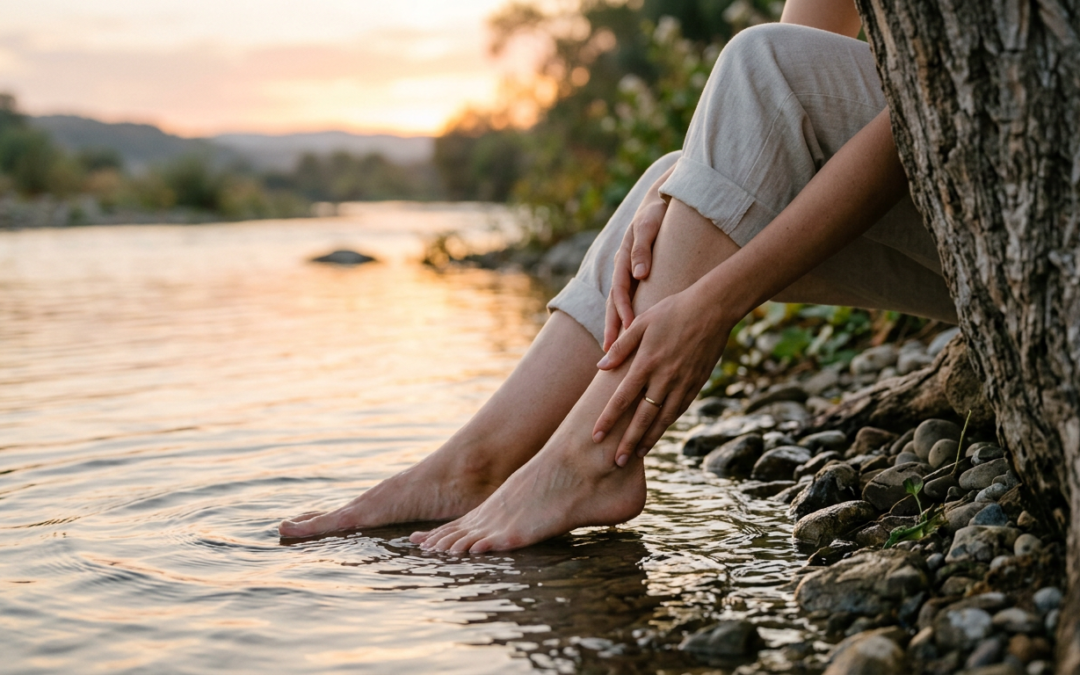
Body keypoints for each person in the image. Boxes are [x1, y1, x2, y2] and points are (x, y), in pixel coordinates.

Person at [279, 0, 957, 552]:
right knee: (664, 180)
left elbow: (936, 103)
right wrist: (683, 181)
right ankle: (476, 463)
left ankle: (590, 459)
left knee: (761, 62)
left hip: (1000, 205)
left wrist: (714, 303)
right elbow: (804, 68)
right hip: (950, 219)